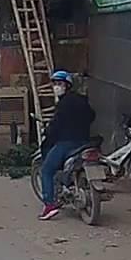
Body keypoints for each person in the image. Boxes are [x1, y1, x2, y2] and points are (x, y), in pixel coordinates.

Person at [38, 70, 95, 220]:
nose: (56, 87)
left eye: (59, 84)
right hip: (84, 142)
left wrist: (47, 132)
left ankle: (49, 205)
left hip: (66, 143)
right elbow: (92, 116)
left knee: (46, 170)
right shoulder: (81, 100)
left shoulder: (63, 104)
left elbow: (56, 125)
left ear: (67, 85)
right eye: (55, 84)